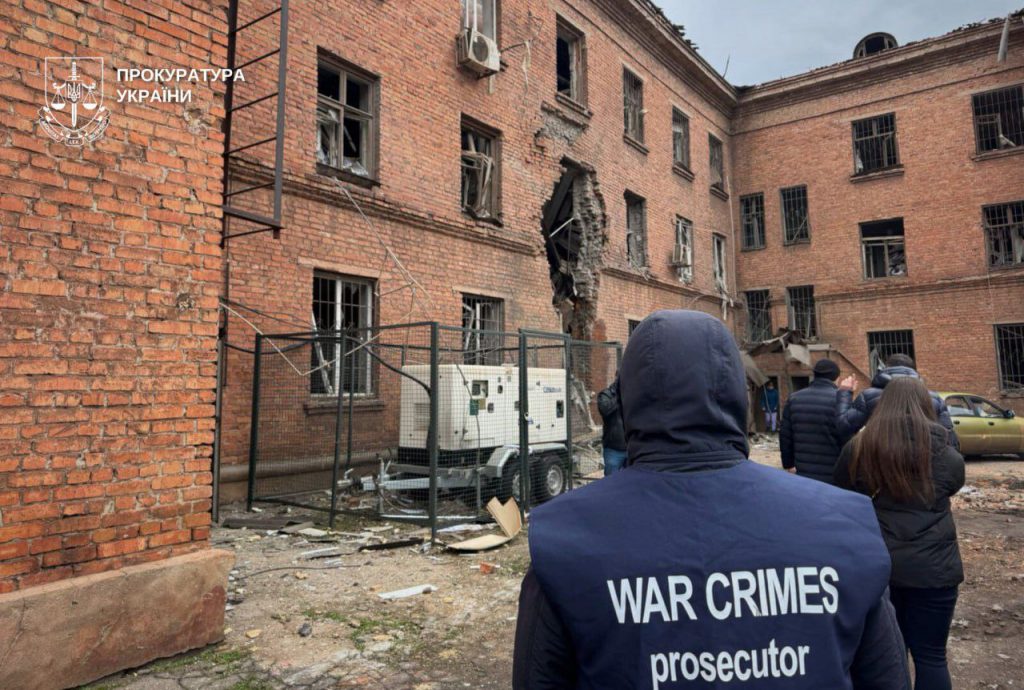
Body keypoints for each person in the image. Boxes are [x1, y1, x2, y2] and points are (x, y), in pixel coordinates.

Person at [513, 310, 909, 689]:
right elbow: (887, 678)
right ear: (735, 392)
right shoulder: (843, 526)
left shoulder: (568, 539)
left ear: (630, 395)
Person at [834, 377, 965, 690]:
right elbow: (954, 483)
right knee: (932, 656)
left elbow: (841, 491)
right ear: (926, 405)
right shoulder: (946, 451)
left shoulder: (860, 448)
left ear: (883, 403)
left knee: (887, 657)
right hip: (935, 570)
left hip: (879, 566)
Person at [836, 354, 956, 448]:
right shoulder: (934, 398)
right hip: (924, 459)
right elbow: (949, 438)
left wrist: (845, 392)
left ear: (886, 368)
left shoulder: (868, 396)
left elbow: (844, 426)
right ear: (913, 370)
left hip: (881, 457)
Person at [779, 359, 844, 483]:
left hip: (803, 473)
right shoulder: (840, 400)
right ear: (836, 377)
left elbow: (785, 435)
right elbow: (847, 438)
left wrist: (788, 464)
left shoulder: (794, 399)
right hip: (833, 473)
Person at [597, 378, 627, 476]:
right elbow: (605, 410)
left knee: (631, 481)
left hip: (631, 448)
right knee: (611, 480)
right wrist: (619, 396)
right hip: (613, 450)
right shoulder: (605, 395)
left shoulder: (631, 394)